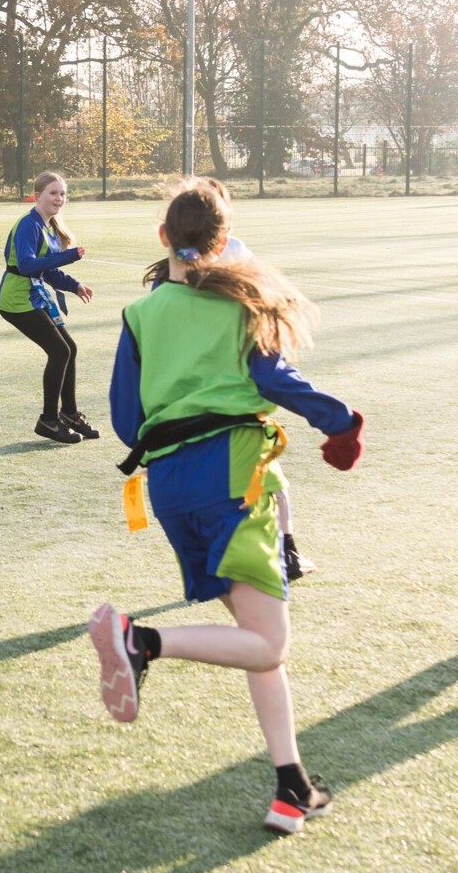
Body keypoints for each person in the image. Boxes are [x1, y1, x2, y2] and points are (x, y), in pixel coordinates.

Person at [91, 178, 366, 835]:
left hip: (170, 488)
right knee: (268, 641)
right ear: (223, 243)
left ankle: (292, 787)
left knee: (256, 642)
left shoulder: (139, 315)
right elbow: (277, 379)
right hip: (234, 479)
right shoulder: (239, 305)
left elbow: (126, 420)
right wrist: (341, 425)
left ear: (164, 237)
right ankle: (141, 641)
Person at [147, 213, 312, 582]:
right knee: (263, 480)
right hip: (228, 399)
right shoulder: (224, 254)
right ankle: (281, 552)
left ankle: (279, 551)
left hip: (191, 401)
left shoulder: (175, 271)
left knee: (254, 482)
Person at [0, 171, 97, 443]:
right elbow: (26, 266)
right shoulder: (29, 225)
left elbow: (48, 270)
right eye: (53, 193)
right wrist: (67, 256)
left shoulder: (49, 226)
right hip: (16, 299)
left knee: (69, 349)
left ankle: (70, 414)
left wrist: (75, 285)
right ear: (37, 195)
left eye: (62, 194)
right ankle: (49, 421)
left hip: (34, 295)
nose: (59, 198)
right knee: (59, 350)